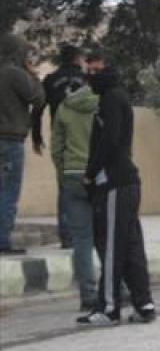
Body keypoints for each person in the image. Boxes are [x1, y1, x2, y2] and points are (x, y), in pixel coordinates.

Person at [77, 66, 156, 326]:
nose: (89, 79)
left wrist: (90, 173)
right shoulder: (119, 97)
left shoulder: (110, 99)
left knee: (112, 247)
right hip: (127, 183)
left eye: (93, 72)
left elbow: (109, 141)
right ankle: (144, 304)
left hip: (115, 184)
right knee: (131, 247)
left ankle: (109, 308)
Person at [32, 44, 87, 249]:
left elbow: (37, 109)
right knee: (87, 183)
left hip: (61, 137)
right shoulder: (86, 79)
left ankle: (67, 236)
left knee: (65, 185)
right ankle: (84, 233)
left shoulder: (50, 79)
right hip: (84, 136)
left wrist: (36, 136)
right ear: (77, 58)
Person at [51, 84, 99, 311]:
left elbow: (56, 148)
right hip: (98, 173)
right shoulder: (103, 102)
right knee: (106, 235)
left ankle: (87, 294)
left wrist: (63, 174)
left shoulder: (64, 106)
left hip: (72, 173)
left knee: (82, 239)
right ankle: (117, 287)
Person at [0, 34, 45, 255]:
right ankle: (2, 241)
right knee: (8, 192)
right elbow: (38, 98)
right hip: (9, 140)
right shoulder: (15, 74)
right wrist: (33, 75)